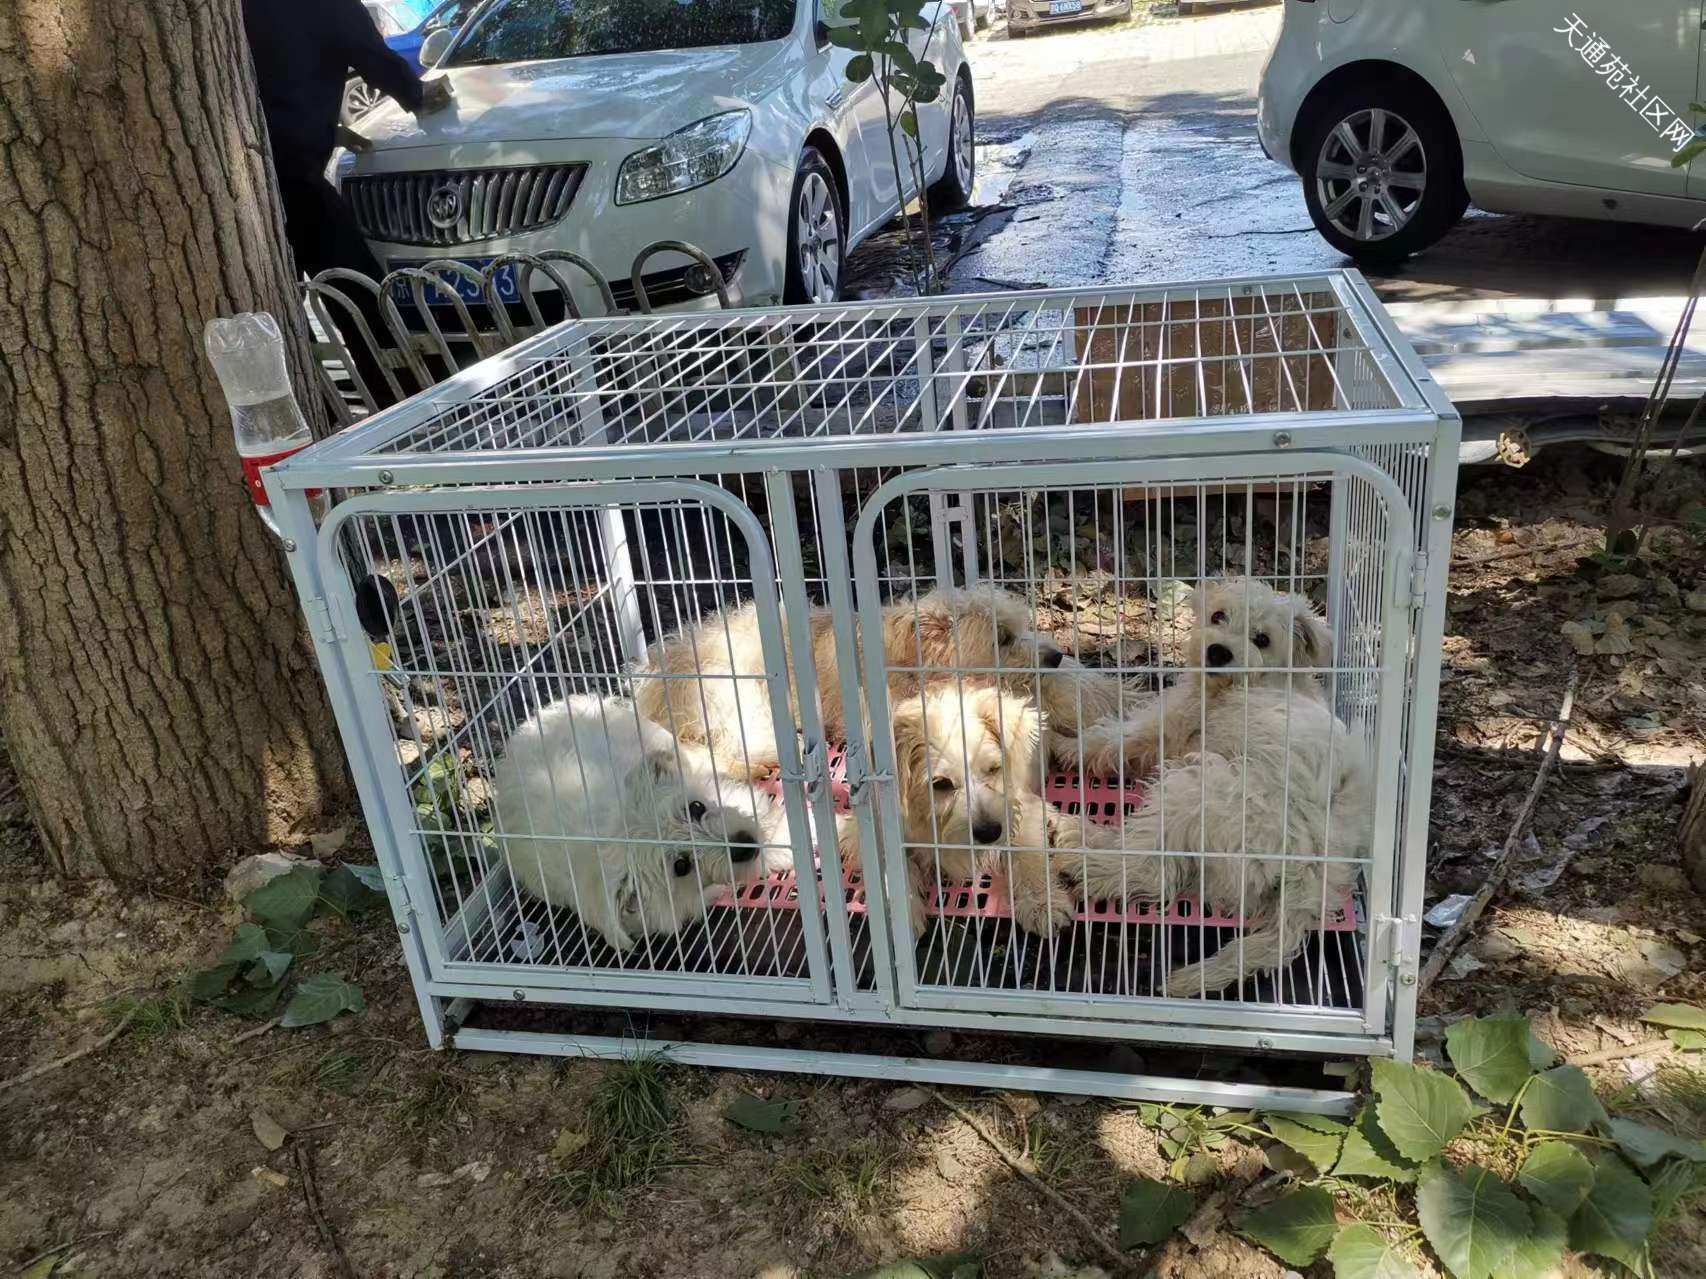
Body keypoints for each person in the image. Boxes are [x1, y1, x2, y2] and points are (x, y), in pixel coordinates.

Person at [242, 0, 454, 410]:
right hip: (291, 174)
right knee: (356, 287)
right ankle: (402, 402)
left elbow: (277, 70)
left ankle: (310, 403)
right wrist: (416, 94)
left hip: (258, 165)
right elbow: (373, 57)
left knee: (276, 298)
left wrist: (328, 129)